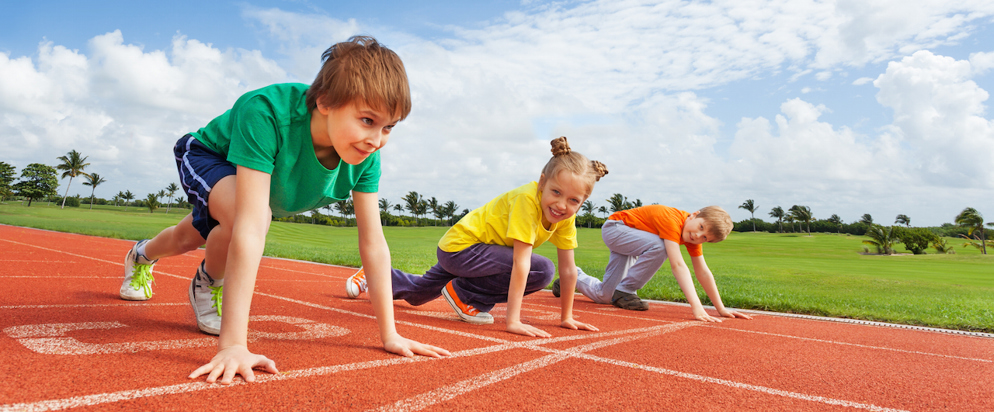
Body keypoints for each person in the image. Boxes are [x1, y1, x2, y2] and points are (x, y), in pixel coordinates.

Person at [117, 35, 450, 384]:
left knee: (188, 236)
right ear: (324, 102)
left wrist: (390, 335)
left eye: (389, 127)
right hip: (209, 154)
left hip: (253, 192)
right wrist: (233, 345)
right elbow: (249, 225)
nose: (377, 139)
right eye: (367, 120)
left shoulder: (366, 156)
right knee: (248, 220)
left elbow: (373, 243)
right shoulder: (265, 113)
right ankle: (208, 282)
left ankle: (141, 255)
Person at [346, 137, 607, 337]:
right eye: (556, 192)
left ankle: (373, 275)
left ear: (583, 201)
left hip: (479, 255)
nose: (562, 205)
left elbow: (570, 270)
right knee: (542, 270)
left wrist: (567, 316)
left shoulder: (565, 216)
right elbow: (521, 263)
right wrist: (512, 321)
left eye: (574, 200)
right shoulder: (527, 200)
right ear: (541, 183)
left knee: (418, 293)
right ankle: (466, 296)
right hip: (462, 249)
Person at [554, 204, 752, 322]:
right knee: (660, 246)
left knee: (605, 296)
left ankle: (570, 279)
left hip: (633, 239)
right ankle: (626, 290)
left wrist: (721, 308)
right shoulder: (672, 220)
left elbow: (703, 271)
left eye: (705, 238)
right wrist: (697, 306)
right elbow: (678, 265)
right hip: (616, 228)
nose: (697, 236)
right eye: (700, 227)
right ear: (694, 214)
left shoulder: (691, 236)